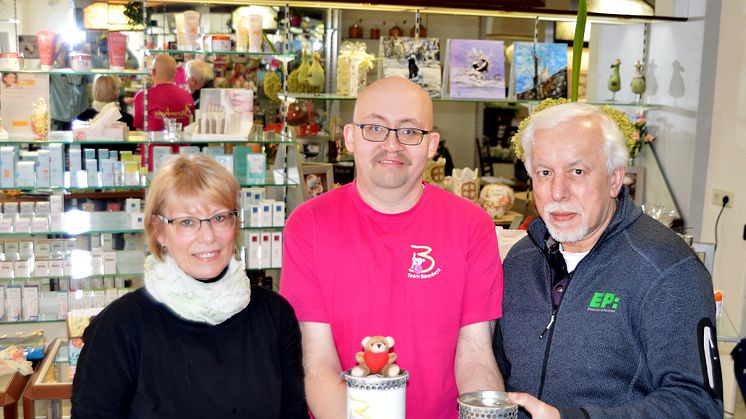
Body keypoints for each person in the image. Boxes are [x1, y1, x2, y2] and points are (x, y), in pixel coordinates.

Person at [280, 76, 504, 419]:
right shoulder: (308, 225)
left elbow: (475, 353)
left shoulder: (472, 225)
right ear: (351, 138)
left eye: (410, 132)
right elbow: (316, 362)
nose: (392, 145)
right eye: (376, 128)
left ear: (432, 145)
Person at [492, 102, 723, 418]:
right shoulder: (521, 260)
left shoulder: (666, 269)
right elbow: (499, 372)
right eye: (544, 173)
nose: (558, 192)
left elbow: (697, 405)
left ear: (615, 179)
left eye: (577, 171)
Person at [71, 154, 307, 418]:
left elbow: (293, 411)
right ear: (158, 231)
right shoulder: (119, 328)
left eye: (219, 218)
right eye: (186, 222)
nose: (208, 236)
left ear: (235, 224)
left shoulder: (274, 316)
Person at [133, 54, 194, 132]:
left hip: (153, 144)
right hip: (182, 144)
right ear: (175, 72)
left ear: (154, 72)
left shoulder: (143, 96)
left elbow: (140, 132)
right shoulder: (187, 95)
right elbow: (192, 126)